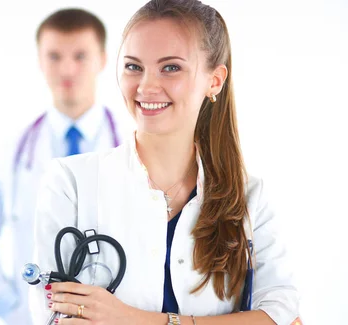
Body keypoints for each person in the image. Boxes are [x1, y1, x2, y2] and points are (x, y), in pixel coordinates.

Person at [29, 1, 302, 324]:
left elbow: (283, 317)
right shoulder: (70, 182)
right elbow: (56, 317)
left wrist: (132, 318)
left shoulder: (249, 197)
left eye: (170, 67)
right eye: (133, 66)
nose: (146, 86)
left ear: (214, 80)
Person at [0, 8, 129, 325]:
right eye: (54, 56)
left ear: (103, 60)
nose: (67, 68)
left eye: (80, 55)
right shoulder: (13, 150)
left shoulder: (133, 146)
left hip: (113, 314)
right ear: (40, 61)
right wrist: (5, 303)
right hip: (34, 315)